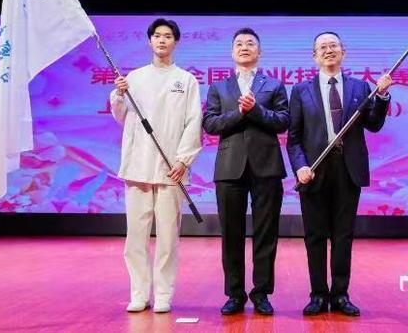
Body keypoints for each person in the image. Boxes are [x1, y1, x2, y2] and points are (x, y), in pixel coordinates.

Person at [287, 31, 392, 316]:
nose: (328, 50)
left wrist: (382, 96)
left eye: (333, 45)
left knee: (343, 235)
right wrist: (300, 167)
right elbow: (294, 138)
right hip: (314, 171)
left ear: (343, 52)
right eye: (322, 47)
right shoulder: (301, 90)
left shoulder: (360, 87)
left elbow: (373, 125)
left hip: (348, 170)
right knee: (315, 236)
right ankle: (318, 295)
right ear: (314, 56)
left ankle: (341, 295)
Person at [111, 18, 202, 313]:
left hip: (171, 170)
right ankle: (139, 293)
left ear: (176, 41)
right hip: (138, 166)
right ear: (150, 41)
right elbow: (121, 116)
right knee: (135, 237)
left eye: (168, 36)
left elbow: (194, 122)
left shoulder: (186, 80)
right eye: (157, 36)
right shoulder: (134, 78)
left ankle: (163, 294)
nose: (162, 40)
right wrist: (118, 94)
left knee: (167, 237)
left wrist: (183, 160)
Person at [202, 27, 289, 315]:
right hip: (230, 167)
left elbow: (283, 121)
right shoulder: (219, 87)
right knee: (231, 234)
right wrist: (239, 113)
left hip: (267, 166)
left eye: (250, 43)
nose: (244, 47)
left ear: (259, 52)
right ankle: (235, 294)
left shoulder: (274, 85)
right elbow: (210, 124)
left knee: (266, 233)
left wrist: (256, 110)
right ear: (232, 52)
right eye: (239, 43)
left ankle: (261, 293)